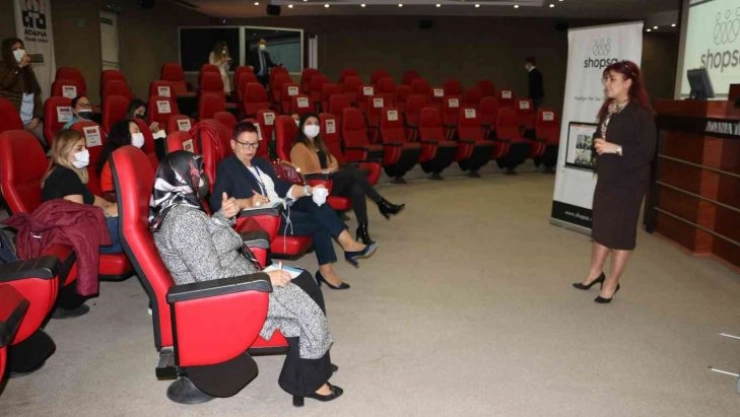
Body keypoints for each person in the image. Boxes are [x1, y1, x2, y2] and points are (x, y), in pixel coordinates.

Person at [151, 151, 342, 406]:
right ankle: (309, 381)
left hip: (235, 276)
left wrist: (222, 217)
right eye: (198, 172)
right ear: (182, 177)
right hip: (228, 295)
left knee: (305, 280)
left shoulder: (182, 209)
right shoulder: (184, 221)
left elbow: (204, 245)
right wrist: (263, 278)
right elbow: (210, 278)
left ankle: (312, 364)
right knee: (307, 309)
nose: (204, 177)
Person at [211, 122, 377, 290]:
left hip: (283, 205)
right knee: (320, 222)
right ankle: (327, 271)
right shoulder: (228, 167)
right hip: (267, 218)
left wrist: (308, 189)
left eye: (254, 144)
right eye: (245, 144)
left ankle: (347, 243)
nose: (250, 149)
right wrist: (247, 202)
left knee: (315, 201)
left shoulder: (260, 163)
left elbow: (279, 187)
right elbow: (217, 202)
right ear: (233, 144)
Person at [571, 60, 656, 304]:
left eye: (612, 79)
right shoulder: (610, 108)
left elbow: (646, 151)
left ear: (628, 83)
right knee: (601, 228)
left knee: (621, 233)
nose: (607, 84)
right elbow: (600, 135)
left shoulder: (641, 114)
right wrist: (598, 143)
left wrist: (615, 148)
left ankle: (611, 283)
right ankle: (595, 273)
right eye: (606, 79)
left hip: (629, 183)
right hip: (608, 179)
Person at [290, 113, 405, 244]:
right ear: (302, 127)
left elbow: (333, 161)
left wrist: (331, 168)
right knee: (352, 172)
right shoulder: (298, 147)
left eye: (316, 123)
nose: (313, 126)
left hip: (330, 180)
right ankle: (381, 203)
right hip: (317, 185)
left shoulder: (319, 145)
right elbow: (301, 173)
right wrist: (325, 171)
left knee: (356, 188)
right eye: (309, 123)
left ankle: (363, 229)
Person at [41, 129, 122, 254]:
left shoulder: (64, 172)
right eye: (79, 149)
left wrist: (112, 205)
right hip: (77, 238)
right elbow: (78, 216)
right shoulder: (65, 175)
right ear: (64, 151)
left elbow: (92, 199)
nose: (85, 152)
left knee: (125, 215)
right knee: (127, 223)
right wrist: (108, 212)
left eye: (85, 147)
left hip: (77, 232)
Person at [0, 37, 46, 148]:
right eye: (15, 49)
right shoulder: (3, 67)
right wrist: (19, 66)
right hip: (12, 121)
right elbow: (6, 82)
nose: (19, 51)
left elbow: (36, 95)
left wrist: (37, 117)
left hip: (31, 120)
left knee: (49, 141)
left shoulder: (28, 70)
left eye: (21, 48)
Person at [97, 119, 145, 197]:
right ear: (124, 134)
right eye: (136, 131)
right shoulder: (118, 157)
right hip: (116, 196)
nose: (140, 134)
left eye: (140, 131)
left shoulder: (134, 153)